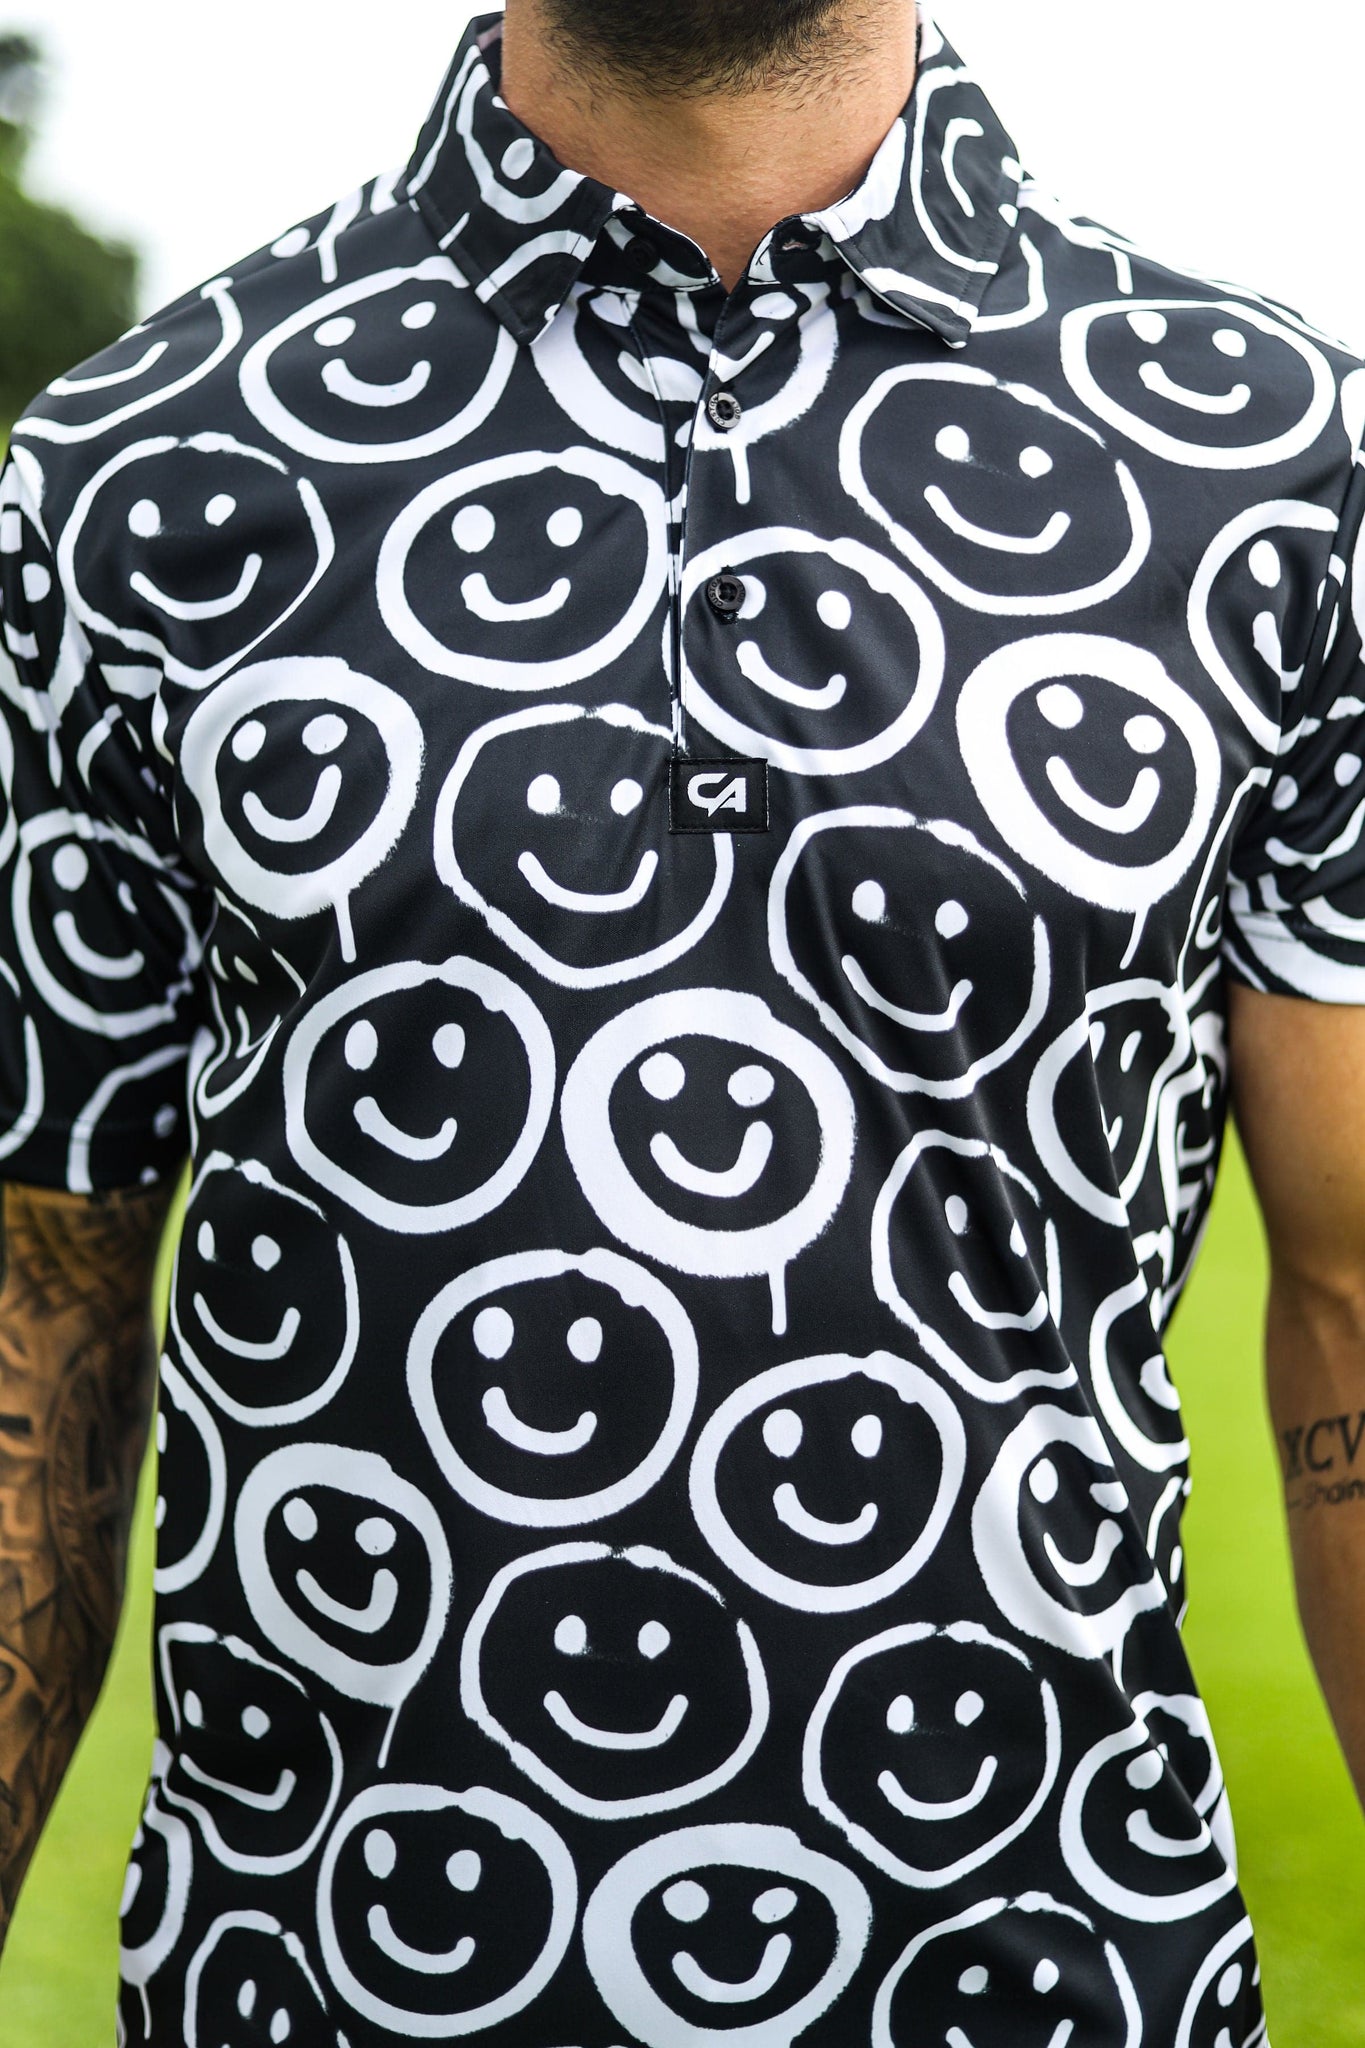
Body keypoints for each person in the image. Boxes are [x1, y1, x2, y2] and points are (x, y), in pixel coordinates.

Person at [0, 0, 1361, 2036]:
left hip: (1054, 1971)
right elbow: (38, 1312)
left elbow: (1351, 1294)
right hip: (320, 1978)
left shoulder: (1272, 466)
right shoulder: (134, 471)